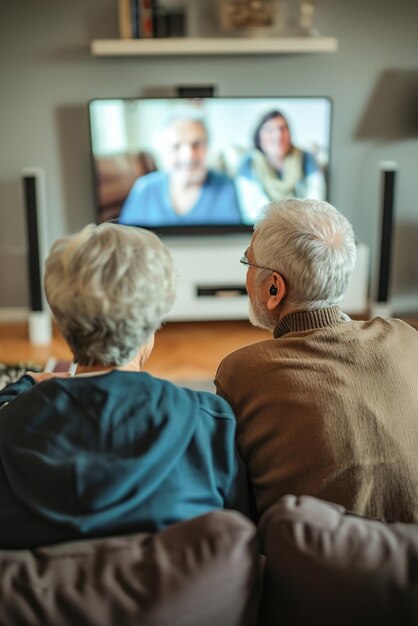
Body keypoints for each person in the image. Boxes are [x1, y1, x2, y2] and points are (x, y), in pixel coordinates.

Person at [0, 223, 248, 549]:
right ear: (155, 319)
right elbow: (244, 534)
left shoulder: (10, 423)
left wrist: (27, 383)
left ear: (62, 323)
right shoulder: (210, 421)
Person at [215, 198, 418, 523]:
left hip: (321, 567)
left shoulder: (241, 372)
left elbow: (235, 501)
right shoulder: (407, 337)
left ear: (273, 288)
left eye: (247, 262)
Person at [119, 117, 242, 226]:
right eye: (176, 146)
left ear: (207, 147)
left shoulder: (229, 186)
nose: (188, 156)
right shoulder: (145, 188)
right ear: (164, 151)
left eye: (197, 144)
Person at [236, 110, 326, 222]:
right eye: (270, 130)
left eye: (282, 129)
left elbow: (317, 206)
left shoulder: (307, 158)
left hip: (303, 228)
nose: (278, 135)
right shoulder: (248, 163)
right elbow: (252, 215)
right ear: (259, 135)